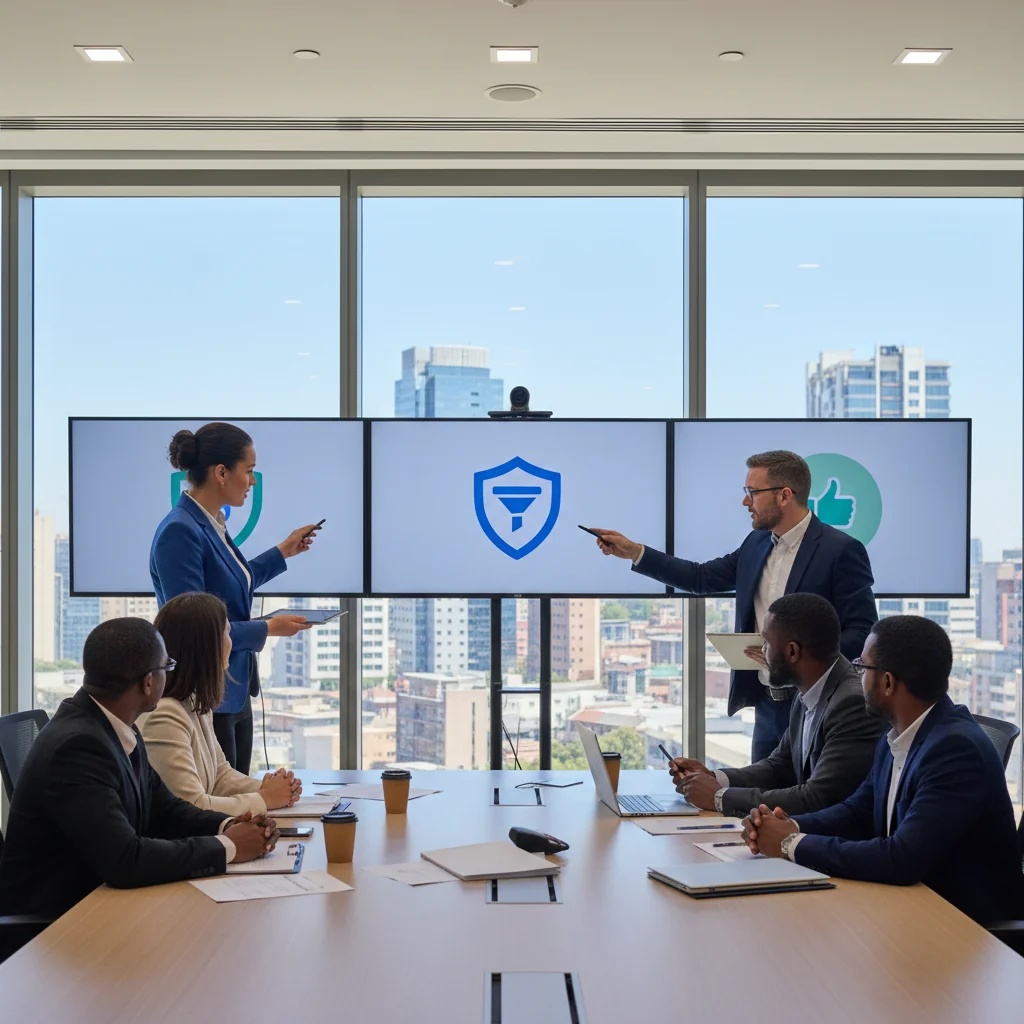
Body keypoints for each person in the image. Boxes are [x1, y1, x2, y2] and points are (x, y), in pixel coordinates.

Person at [591, 449, 877, 760]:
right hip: (766, 703)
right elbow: (701, 577)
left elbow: (862, 631)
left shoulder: (841, 551)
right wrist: (635, 552)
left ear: (784, 496)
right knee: (764, 798)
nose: (745, 502)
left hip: (817, 705)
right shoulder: (755, 544)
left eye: (752, 492)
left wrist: (800, 657)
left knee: (807, 801)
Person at [741, 615, 1024, 925]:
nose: (857, 676)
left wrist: (790, 844)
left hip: (964, 928)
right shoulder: (899, 735)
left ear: (888, 682)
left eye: (862, 668)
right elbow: (856, 811)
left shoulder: (955, 750)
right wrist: (787, 826)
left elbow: (902, 859)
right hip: (909, 906)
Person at [0, 618, 280, 922]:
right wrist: (229, 847)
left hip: (100, 901)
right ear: (148, 682)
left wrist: (228, 826)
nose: (169, 675)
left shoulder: (116, 726)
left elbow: (166, 809)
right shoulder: (78, 747)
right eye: (167, 667)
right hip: (58, 927)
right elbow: (125, 859)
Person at [151, 421, 319, 774]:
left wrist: (285, 550)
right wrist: (267, 629)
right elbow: (196, 625)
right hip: (207, 693)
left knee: (241, 795)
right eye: (250, 471)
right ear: (222, 473)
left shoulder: (209, 523)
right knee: (225, 807)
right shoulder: (181, 531)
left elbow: (235, 582)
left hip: (234, 690)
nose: (253, 481)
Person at [669, 593, 884, 817]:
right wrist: (714, 778)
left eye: (767, 642)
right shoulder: (808, 692)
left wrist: (718, 797)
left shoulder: (851, 703)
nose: (762, 651)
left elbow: (818, 798)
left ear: (792, 651)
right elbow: (779, 767)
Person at [141, 592, 302, 815]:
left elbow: (220, 776)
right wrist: (264, 798)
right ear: (207, 646)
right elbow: (191, 807)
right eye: (227, 632)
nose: (231, 642)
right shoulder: (165, 715)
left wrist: (270, 789)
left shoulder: (195, 702)